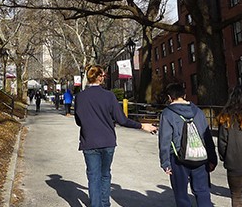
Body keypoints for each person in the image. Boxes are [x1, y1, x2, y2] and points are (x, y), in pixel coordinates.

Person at [74, 65, 157, 207]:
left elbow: (78, 121)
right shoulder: (109, 96)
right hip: (107, 141)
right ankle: (105, 204)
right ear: (100, 77)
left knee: (93, 177)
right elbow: (122, 120)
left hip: (89, 141)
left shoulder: (80, 97)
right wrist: (143, 126)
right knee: (105, 175)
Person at [158, 83, 217, 207]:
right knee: (203, 192)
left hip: (178, 158)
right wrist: (212, 158)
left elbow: (165, 139)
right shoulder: (198, 112)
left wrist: (165, 162)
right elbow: (207, 136)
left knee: (181, 194)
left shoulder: (167, 113)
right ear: (184, 95)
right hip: (201, 157)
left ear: (169, 97)